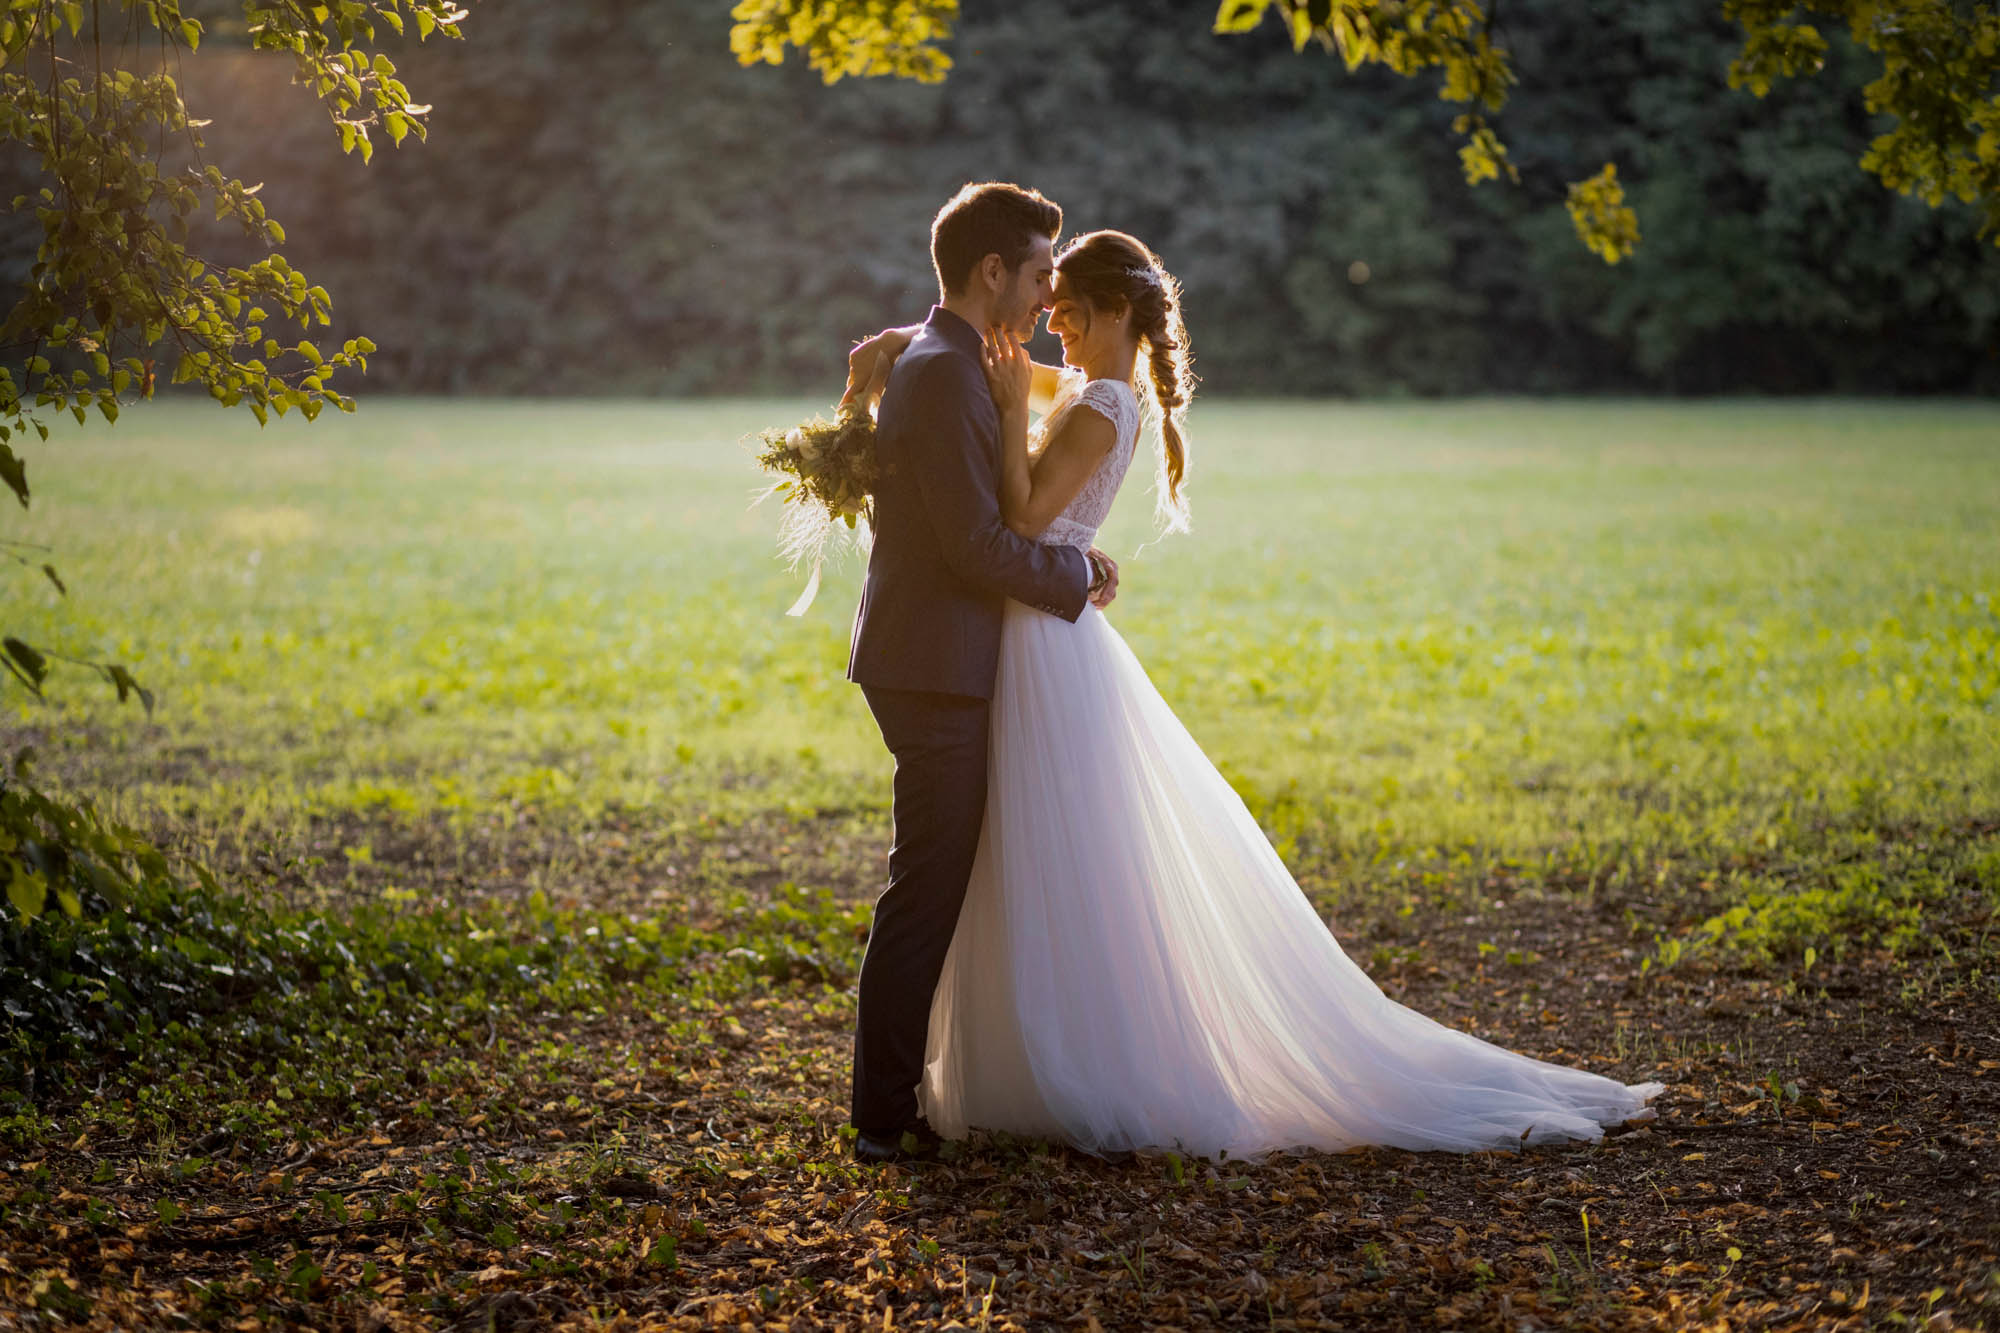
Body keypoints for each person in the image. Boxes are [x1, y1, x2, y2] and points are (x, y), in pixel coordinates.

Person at [844, 225, 1663, 1161]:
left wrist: (1061, 543)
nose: (1050, 322)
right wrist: (905, 340)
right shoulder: (1077, 389)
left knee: (1062, 856)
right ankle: (1023, 1057)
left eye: (1065, 307)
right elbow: (968, 348)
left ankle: (1091, 1061)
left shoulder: (1102, 404)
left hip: (1039, 636)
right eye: (1046, 298)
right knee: (1026, 857)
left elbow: (1024, 513)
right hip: (1022, 632)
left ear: (1114, 310)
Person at [841, 182, 1122, 1165]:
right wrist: (1077, 572)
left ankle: (903, 1095)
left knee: (937, 882)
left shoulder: (952, 360)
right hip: (933, 664)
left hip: (934, 655)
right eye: (1041, 272)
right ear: (991, 271)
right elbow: (971, 547)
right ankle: (883, 1114)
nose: (1050, 296)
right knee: (925, 888)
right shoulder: (944, 374)